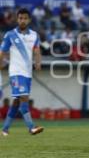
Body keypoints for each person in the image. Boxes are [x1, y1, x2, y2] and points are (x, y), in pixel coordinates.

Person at [0, 8, 44, 136]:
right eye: (20, 18)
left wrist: (38, 62)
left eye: (25, 18)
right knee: (24, 98)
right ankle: (31, 127)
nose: (22, 20)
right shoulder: (10, 35)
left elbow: (36, 50)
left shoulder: (34, 35)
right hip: (16, 71)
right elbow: (2, 51)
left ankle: (5, 128)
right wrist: (0, 63)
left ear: (29, 20)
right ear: (17, 19)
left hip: (27, 73)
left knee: (17, 101)